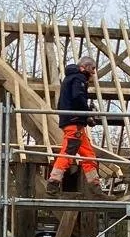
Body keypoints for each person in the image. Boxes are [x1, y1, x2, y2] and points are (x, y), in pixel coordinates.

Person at [46, 55, 108, 196]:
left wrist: (85, 118)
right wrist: (88, 113)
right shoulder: (78, 78)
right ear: (84, 67)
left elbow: (66, 102)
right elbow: (78, 97)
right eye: (92, 69)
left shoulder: (69, 79)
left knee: (89, 155)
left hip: (74, 123)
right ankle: (53, 183)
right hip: (74, 123)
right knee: (68, 153)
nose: (93, 73)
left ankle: (95, 187)